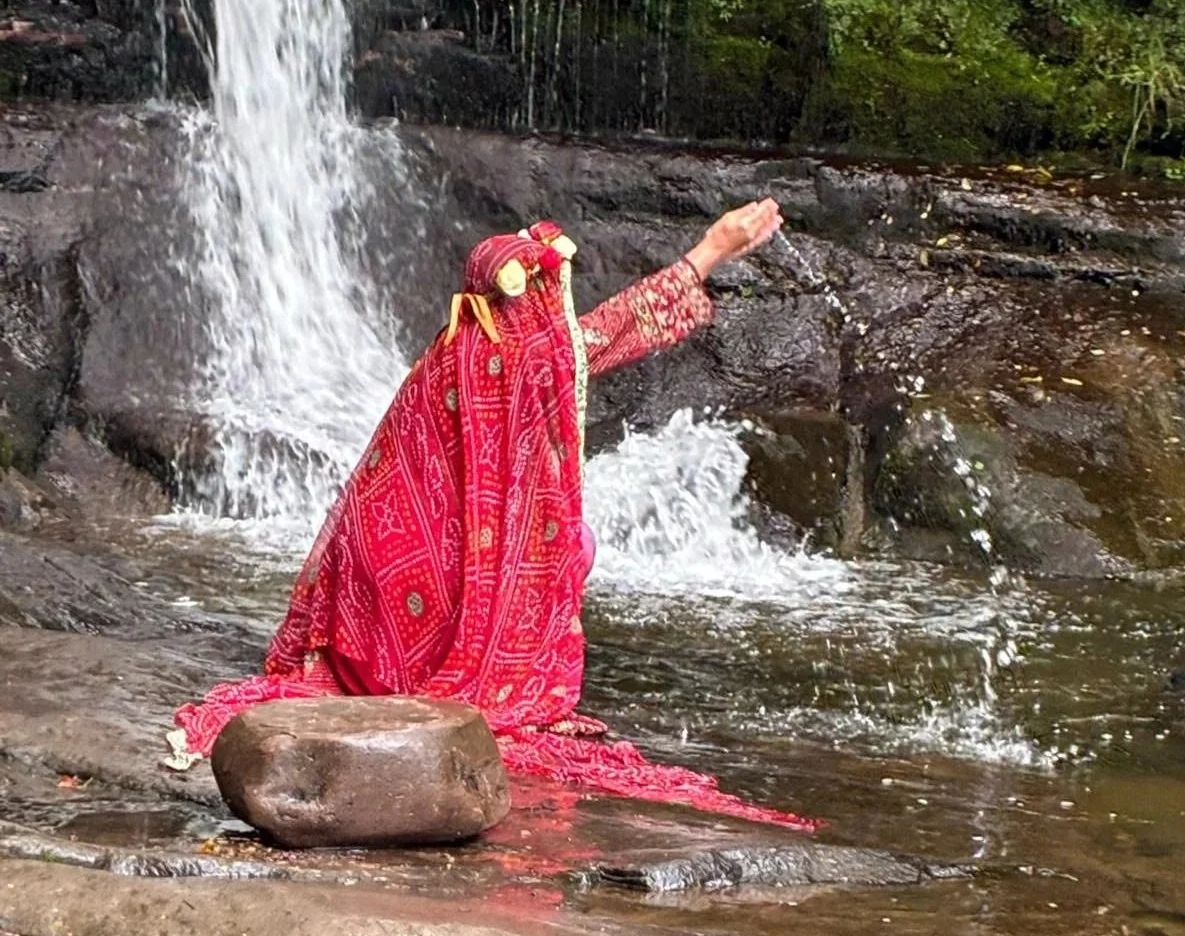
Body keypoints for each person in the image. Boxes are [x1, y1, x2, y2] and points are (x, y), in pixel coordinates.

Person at [169, 199, 821, 831]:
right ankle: (485, 667)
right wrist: (712, 249)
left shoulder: (452, 348)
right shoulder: (534, 359)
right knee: (573, 543)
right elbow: (616, 327)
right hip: (438, 605)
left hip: (370, 607)